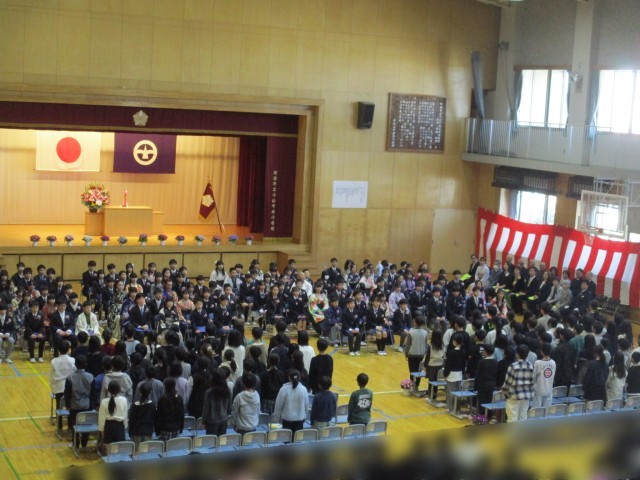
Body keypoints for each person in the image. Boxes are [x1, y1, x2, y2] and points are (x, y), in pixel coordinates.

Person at [64, 355, 94, 448]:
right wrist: (92, 406)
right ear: (86, 364)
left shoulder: (70, 377)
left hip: (74, 405)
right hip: (87, 405)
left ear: (75, 364)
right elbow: (93, 394)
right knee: (86, 425)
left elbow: (67, 393)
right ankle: (84, 444)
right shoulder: (91, 377)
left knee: (74, 425)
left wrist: (67, 405)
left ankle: (75, 444)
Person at [502, 344, 534, 422]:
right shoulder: (531, 365)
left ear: (517, 354)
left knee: (512, 418)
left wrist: (504, 392)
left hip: (514, 395)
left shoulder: (513, 366)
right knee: (523, 417)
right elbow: (532, 380)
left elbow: (507, 382)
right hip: (526, 395)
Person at [273, 369, 309, 435]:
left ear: (289, 378)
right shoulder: (304, 389)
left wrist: (277, 418)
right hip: (300, 419)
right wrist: (305, 416)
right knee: (297, 440)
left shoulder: (283, 389)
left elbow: (278, 405)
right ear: (299, 377)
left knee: (287, 439)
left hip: (287, 420)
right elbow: (306, 405)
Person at [50, 340, 76, 430]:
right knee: (70, 405)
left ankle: (59, 425)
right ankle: (70, 425)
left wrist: (53, 388)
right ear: (69, 349)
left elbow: (52, 376)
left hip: (59, 387)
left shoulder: (54, 361)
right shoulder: (72, 360)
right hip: (70, 387)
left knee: (59, 406)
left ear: (58, 350)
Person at [98, 381, 128, 453]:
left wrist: (102, 431)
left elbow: (101, 418)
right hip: (120, 426)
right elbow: (125, 415)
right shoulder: (124, 400)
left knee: (108, 451)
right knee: (120, 450)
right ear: (119, 389)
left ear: (108, 390)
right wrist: (125, 426)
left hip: (108, 426)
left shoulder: (104, 401)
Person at [202, 369, 231, 436]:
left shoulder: (209, 392)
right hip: (223, 420)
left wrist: (204, 421)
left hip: (211, 421)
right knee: (221, 440)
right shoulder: (227, 390)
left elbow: (206, 408)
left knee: (211, 441)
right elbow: (229, 406)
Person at [155, 377, 185, 442]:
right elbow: (182, 414)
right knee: (174, 446)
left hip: (164, 429)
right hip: (176, 428)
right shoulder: (179, 398)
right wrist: (181, 428)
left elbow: (158, 416)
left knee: (165, 447)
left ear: (165, 387)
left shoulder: (162, 399)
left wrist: (157, 430)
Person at [404, 316, 428, 392]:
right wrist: (424, 352)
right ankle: (417, 385)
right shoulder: (425, 332)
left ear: (415, 323)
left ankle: (412, 386)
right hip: (421, 355)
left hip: (412, 355)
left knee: (412, 371)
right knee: (419, 371)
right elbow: (426, 345)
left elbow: (408, 345)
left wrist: (406, 353)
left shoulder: (411, 332)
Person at [128, 383, 156, 448]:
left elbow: (131, 420)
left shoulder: (133, 406)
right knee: (146, 452)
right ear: (150, 393)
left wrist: (130, 433)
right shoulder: (152, 405)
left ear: (140, 392)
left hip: (135, 432)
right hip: (147, 432)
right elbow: (154, 419)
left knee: (136, 451)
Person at [474, 343, 498, 420]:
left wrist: (475, 387)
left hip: (482, 384)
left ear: (485, 352)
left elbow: (478, 375)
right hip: (492, 384)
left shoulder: (481, 362)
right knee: (489, 400)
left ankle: (482, 418)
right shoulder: (495, 362)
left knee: (482, 401)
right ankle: (489, 416)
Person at [443, 333, 466, 413]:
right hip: (459, 374)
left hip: (452, 375)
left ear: (455, 341)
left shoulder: (451, 352)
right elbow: (463, 364)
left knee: (450, 392)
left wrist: (445, 374)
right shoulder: (463, 352)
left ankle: (451, 408)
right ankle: (457, 408)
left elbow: (448, 365)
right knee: (458, 392)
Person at [532, 343, 556, 408]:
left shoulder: (538, 363)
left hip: (539, 389)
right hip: (549, 389)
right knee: (546, 410)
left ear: (542, 352)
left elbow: (534, 377)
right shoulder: (553, 362)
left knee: (536, 410)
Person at [425, 329, 445, 400]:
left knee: (431, 380)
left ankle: (430, 394)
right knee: (436, 380)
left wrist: (425, 365)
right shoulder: (442, 345)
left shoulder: (430, 345)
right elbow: (443, 355)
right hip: (440, 365)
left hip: (431, 365)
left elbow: (427, 356)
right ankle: (434, 394)